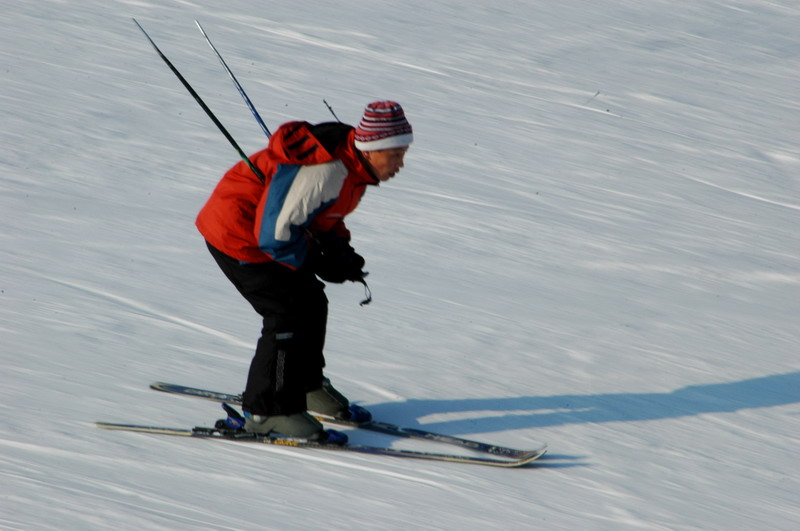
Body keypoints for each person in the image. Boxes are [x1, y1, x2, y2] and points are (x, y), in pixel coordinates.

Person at [195, 101, 413, 442]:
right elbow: (276, 237)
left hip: (266, 234)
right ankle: (269, 411)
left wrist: (340, 249)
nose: (401, 164)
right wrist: (318, 261)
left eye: (403, 153)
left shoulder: (353, 168)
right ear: (371, 150)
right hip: (238, 235)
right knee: (287, 313)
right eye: (396, 154)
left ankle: (304, 387)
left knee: (311, 301)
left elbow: (323, 211)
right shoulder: (326, 170)